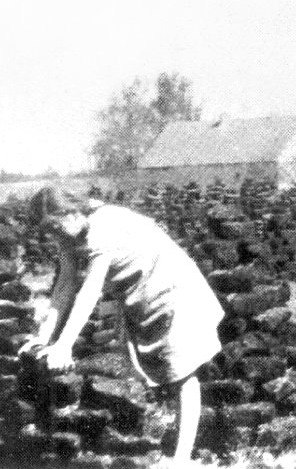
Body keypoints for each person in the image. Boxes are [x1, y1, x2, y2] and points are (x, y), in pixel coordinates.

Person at [22, 187, 224, 465]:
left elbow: (89, 291)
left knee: (182, 370)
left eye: (56, 226)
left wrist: (65, 345)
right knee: (156, 365)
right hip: (136, 292)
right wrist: (43, 339)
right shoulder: (69, 234)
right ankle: (165, 428)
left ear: (70, 212)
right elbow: (65, 285)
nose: (54, 234)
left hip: (171, 286)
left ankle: (181, 459)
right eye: (49, 230)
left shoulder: (103, 227)